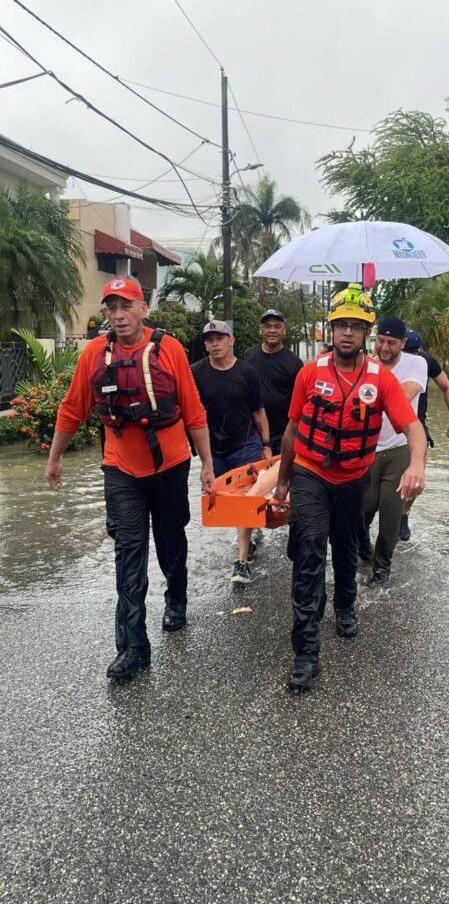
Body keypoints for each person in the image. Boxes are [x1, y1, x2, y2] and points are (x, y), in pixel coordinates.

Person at [46, 277, 215, 682]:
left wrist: (207, 464)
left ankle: (176, 598)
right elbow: (72, 409)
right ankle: (133, 648)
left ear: (142, 309)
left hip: (171, 465)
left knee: (171, 541)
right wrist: (55, 458)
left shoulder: (168, 348)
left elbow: (193, 410)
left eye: (126, 307)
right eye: (111, 308)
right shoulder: (94, 355)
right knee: (129, 555)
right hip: (121, 469)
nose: (118, 316)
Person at [275, 286, 427, 693]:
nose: (347, 333)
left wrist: (417, 464)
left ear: (366, 333)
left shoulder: (382, 379)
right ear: (332, 328)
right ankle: (305, 652)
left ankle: (345, 605)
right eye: (341, 325)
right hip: (310, 472)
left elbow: (412, 427)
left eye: (355, 327)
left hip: (353, 477)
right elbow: (291, 429)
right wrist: (283, 481)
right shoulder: (310, 373)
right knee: (308, 551)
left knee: (346, 548)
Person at [192, 320, 272, 585]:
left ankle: (241, 561)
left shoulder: (247, 373)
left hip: (246, 444)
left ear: (231, 340)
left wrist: (267, 445)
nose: (214, 344)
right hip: (213, 449)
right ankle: (248, 536)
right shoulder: (197, 373)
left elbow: (259, 412)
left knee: (245, 501)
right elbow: (189, 413)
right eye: (209, 340)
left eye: (219, 338)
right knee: (221, 501)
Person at [362, 317, 429, 585]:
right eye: (380, 341)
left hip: (399, 445)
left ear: (403, 343)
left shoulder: (417, 363)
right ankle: (361, 547)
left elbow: (404, 394)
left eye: (391, 342)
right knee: (363, 509)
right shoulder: (363, 363)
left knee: (391, 509)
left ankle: (382, 567)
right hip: (367, 447)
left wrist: (376, 375)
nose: (385, 347)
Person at [399, 328, 449, 541]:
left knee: (417, 476)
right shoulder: (383, 360)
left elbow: (446, 387)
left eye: (414, 354)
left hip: (416, 425)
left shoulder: (426, 361)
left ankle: (403, 515)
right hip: (385, 425)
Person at [243, 309, 303, 456]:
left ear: (284, 331)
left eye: (277, 326)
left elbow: (300, 402)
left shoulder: (294, 363)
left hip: (283, 434)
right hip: (253, 435)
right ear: (260, 330)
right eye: (268, 326)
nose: (272, 330)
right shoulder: (249, 356)